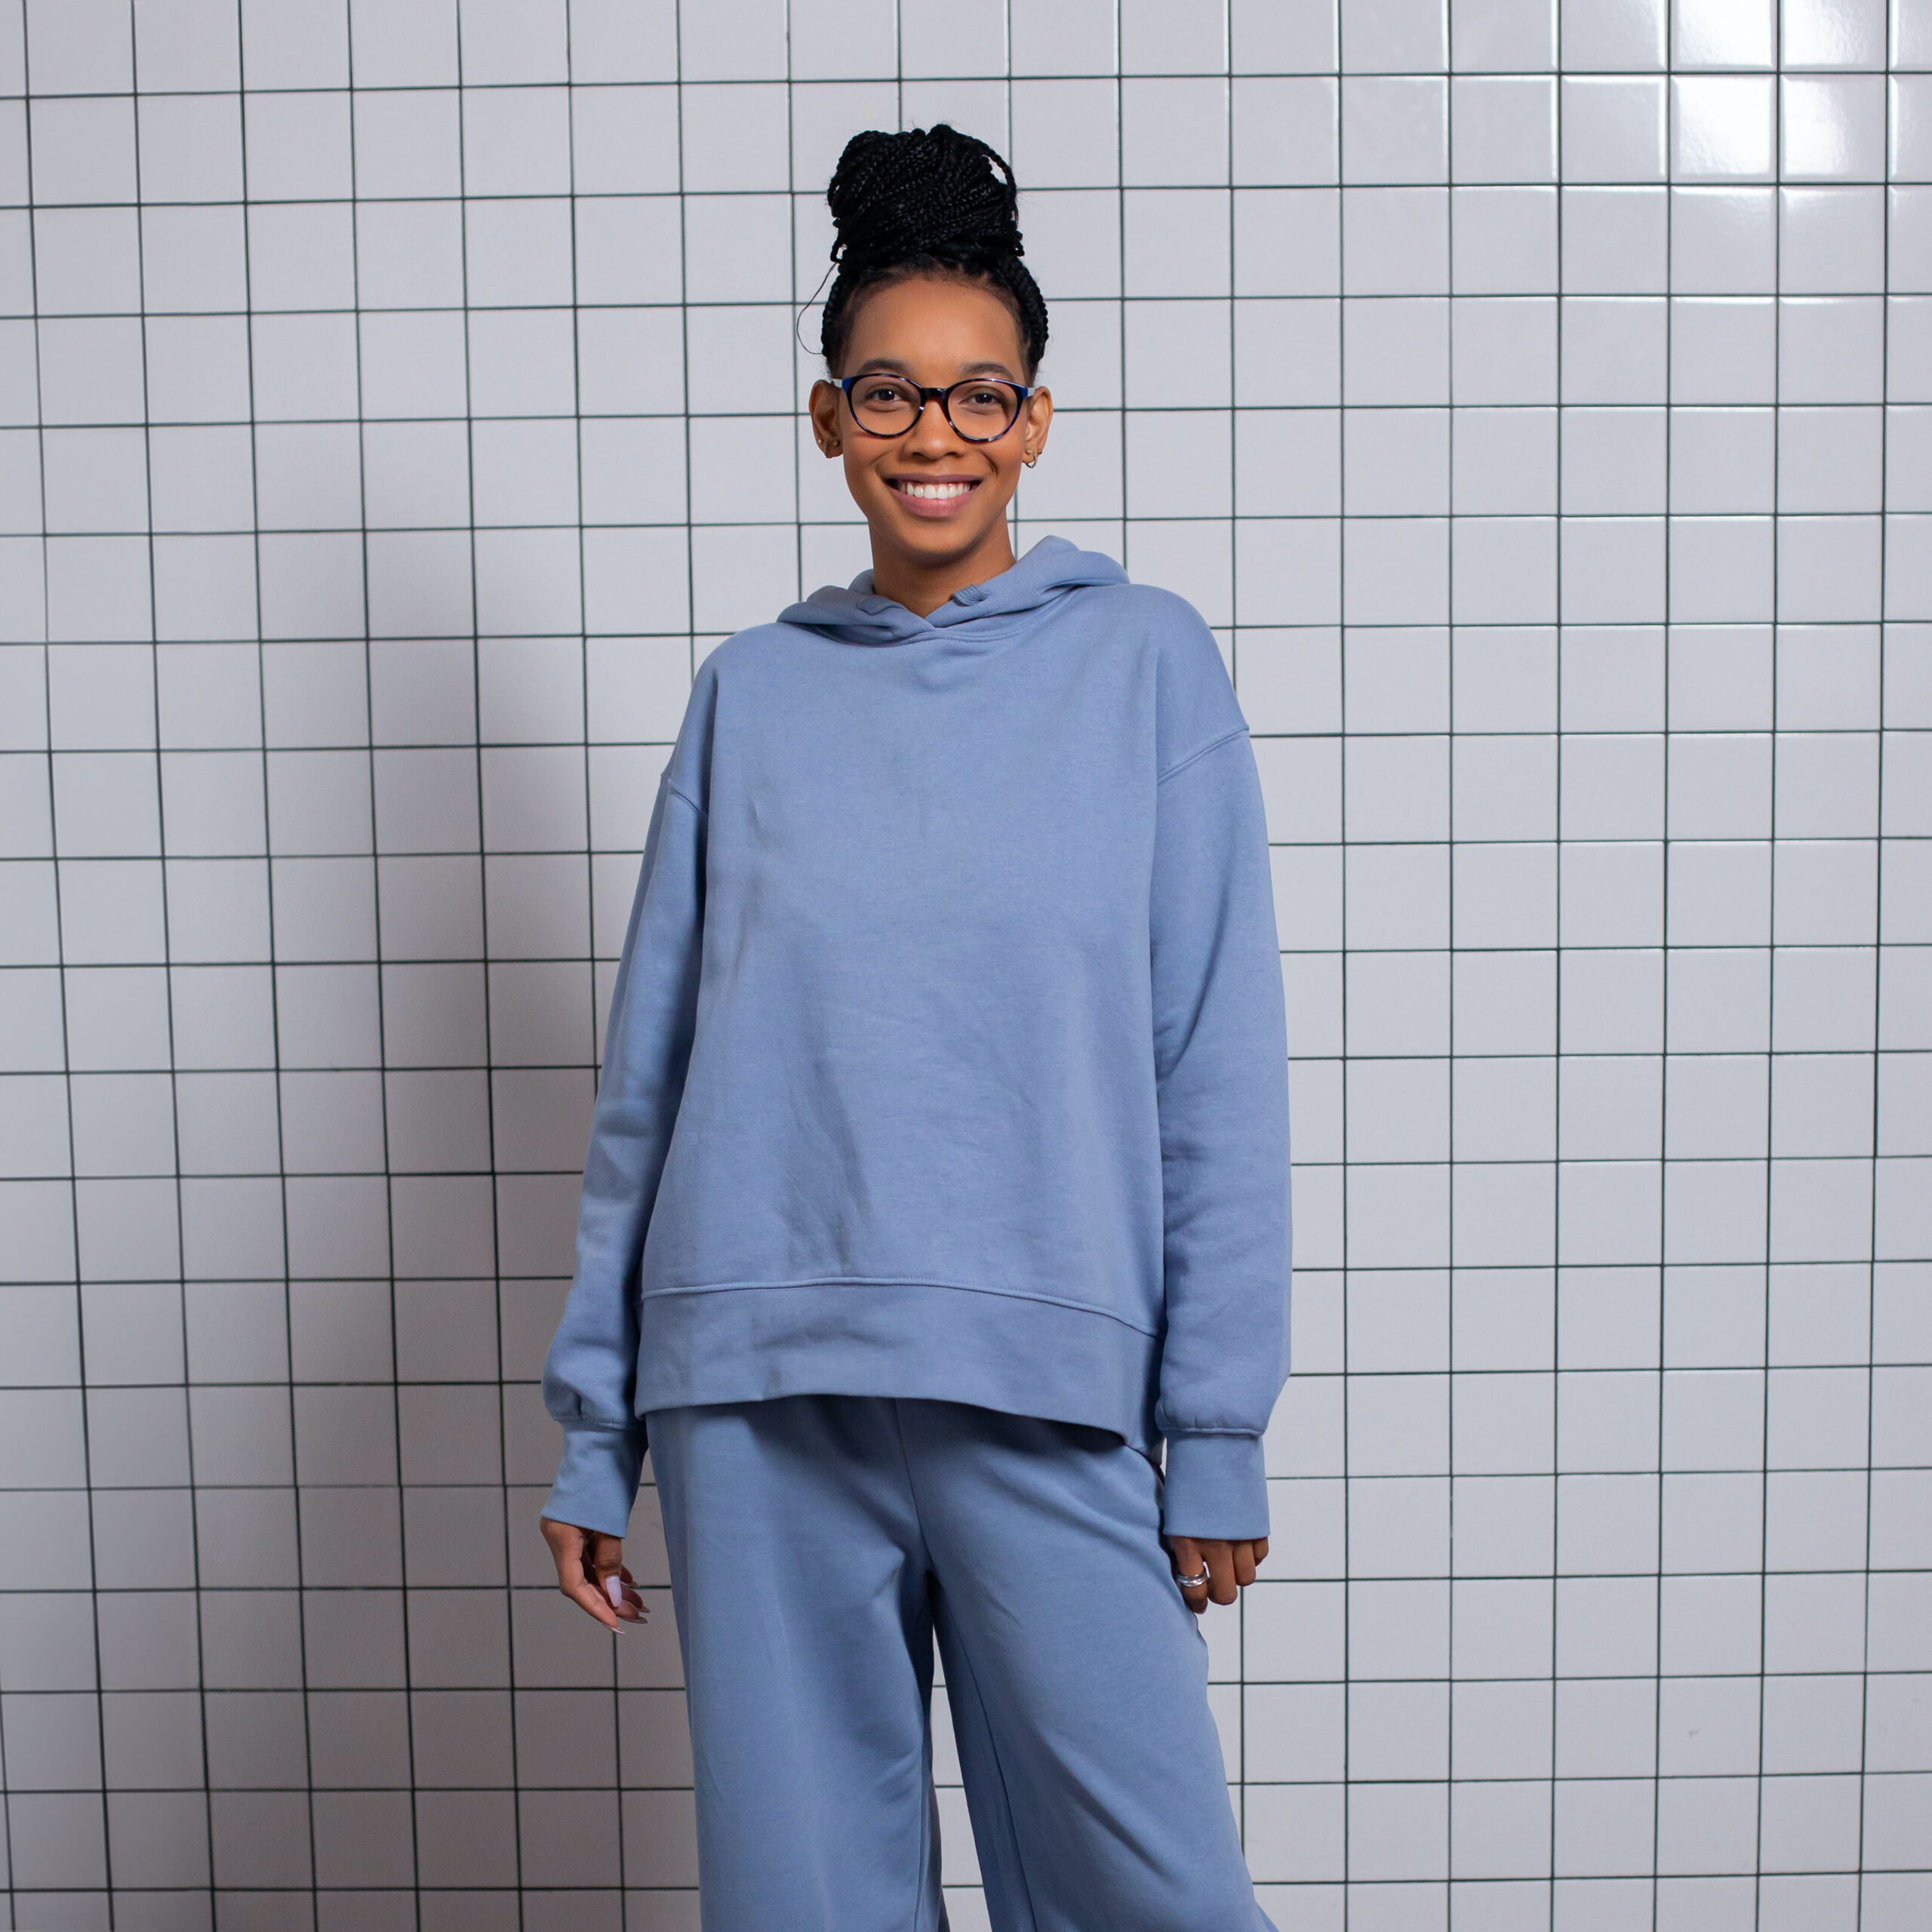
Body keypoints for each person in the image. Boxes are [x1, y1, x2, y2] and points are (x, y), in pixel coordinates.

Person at [537, 124, 1291, 1930]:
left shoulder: (1145, 665)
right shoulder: (750, 696)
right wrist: (591, 1425)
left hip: (1041, 1379)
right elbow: (650, 1081)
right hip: (751, 1383)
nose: (930, 433)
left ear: (1031, 421)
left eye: (975, 395)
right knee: (804, 1903)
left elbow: (1213, 1055)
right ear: (828, 418)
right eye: (887, 392)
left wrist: (1213, 1423)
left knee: (1157, 1896)